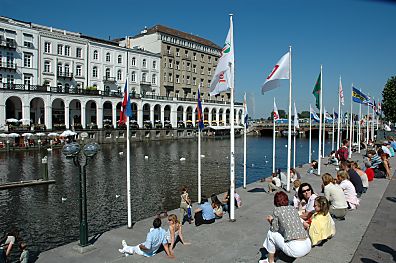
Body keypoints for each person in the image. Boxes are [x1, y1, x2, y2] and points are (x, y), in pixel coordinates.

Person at [260, 191, 311, 263]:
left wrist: (271, 220)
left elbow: (274, 229)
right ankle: (277, 252)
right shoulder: (293, 208)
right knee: (283, 231)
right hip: (307, 245)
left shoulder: (277, 210)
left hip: (297, 249)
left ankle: (270, 260)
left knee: (271, 233)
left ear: (275, 202)